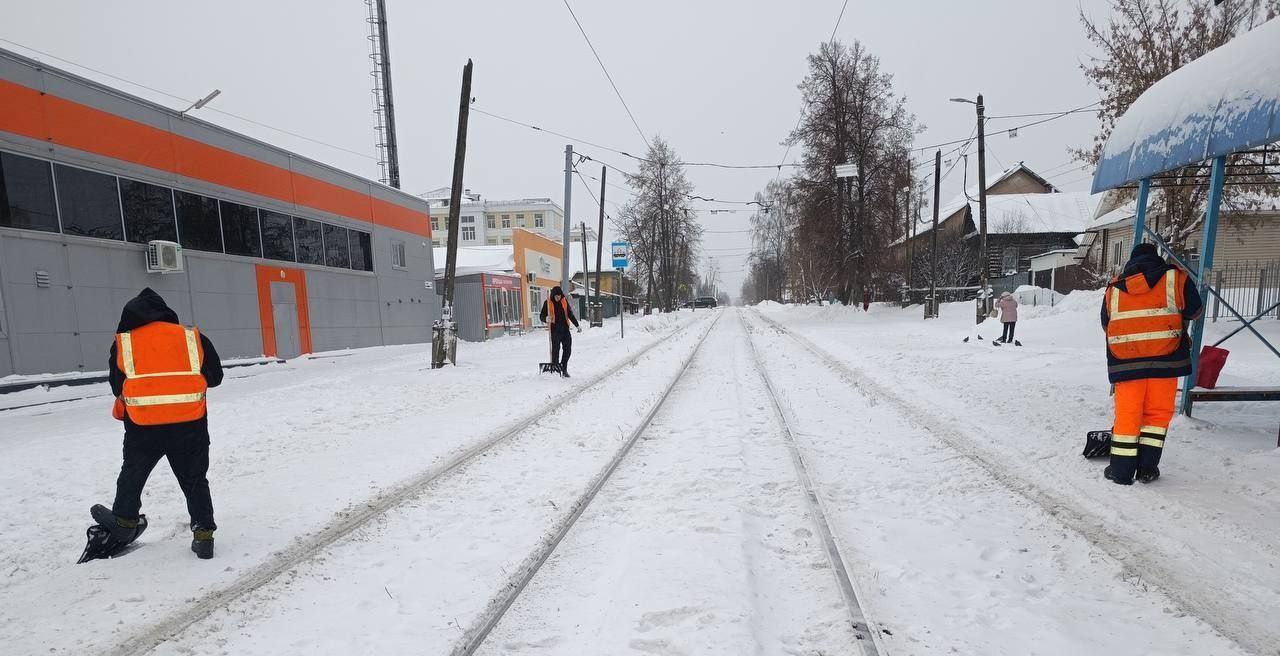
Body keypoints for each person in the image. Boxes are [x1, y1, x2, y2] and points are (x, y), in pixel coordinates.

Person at [93, 288, 223, 559]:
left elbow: (117, 385)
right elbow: (215, 377)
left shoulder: (124, 342)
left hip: (143, 426)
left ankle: (125, 522)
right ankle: (203, 535)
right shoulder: (191, 337)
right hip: (190, 423)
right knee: (195, 479)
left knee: (133, 474)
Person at [1100, 244, 1202, 485]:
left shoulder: (1114, 288)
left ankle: (1121, 472)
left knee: (1127, 415)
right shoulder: (1175, 279)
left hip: (1126, 364)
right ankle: (1147, 469)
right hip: (1165, 362)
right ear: (1156, 258)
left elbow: (1106, 323)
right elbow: (1195, 310)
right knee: (1157, 416)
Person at [539, 286, 581, 377]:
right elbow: (541, 315)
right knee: (555, 351)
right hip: (555, 330)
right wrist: (546, 318)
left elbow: (570, 314)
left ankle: (563, 368)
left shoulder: (564, 301)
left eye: (559, 296)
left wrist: (577, 325)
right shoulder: (548, 303)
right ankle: (555, 370)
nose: (558, 298)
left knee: (568, 350)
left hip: (565, 330)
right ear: (553, 295)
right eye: (556, 296)